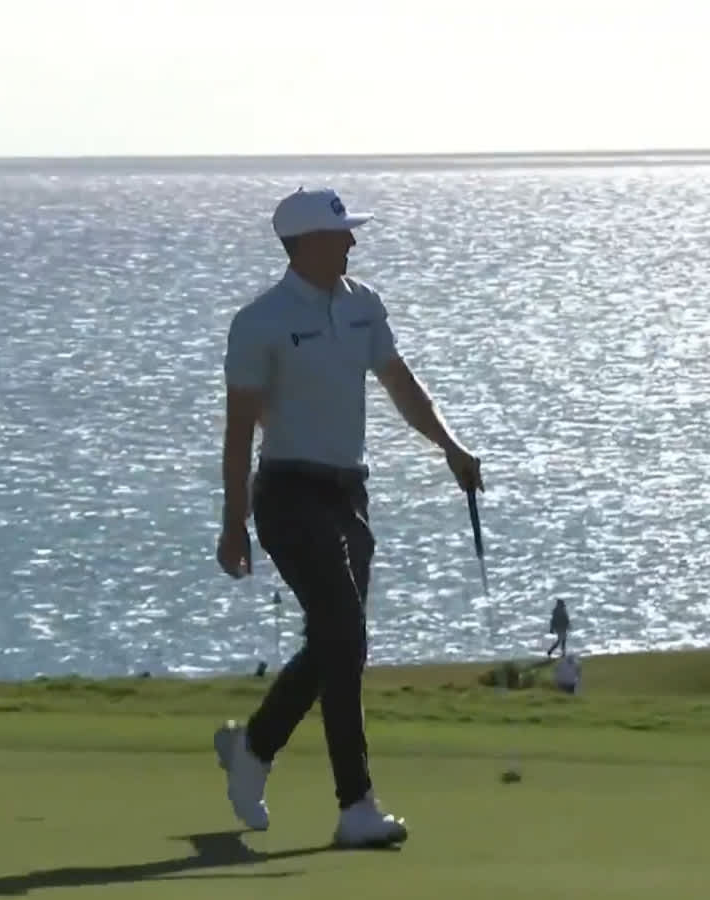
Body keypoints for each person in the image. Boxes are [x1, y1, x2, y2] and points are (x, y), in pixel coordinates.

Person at [213, 187, 482, 849]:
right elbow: (240, 432)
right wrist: (233, 522)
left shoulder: (363, 306)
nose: (353, 244)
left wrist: (450, 446)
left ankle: (254, 745)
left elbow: (401, 384)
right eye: (340, 235)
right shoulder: (261, 322)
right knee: (343, 632)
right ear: (304, 245)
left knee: (339, 640)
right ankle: (355, 804)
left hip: (347, 495)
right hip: (287, 492)